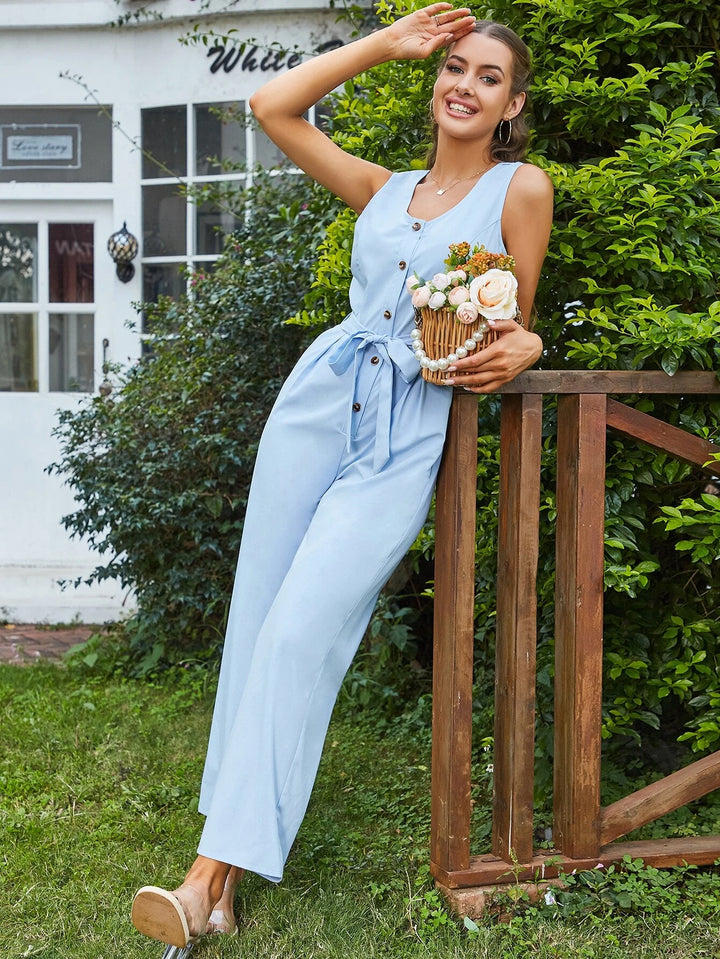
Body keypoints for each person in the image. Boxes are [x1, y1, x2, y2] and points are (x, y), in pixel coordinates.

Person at [131, 3, 553, 950]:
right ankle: (224, 883)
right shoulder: (383, 185)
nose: (466, 85)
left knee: (301, 630)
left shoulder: (521, 188)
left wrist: (525, 342)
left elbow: (517, 314)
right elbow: (272, 106)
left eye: (489, 77)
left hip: (407, 428)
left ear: (512, 105)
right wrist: (383, 44)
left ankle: (199, 885)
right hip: (317, 408)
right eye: (455, 68)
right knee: (257, 626)